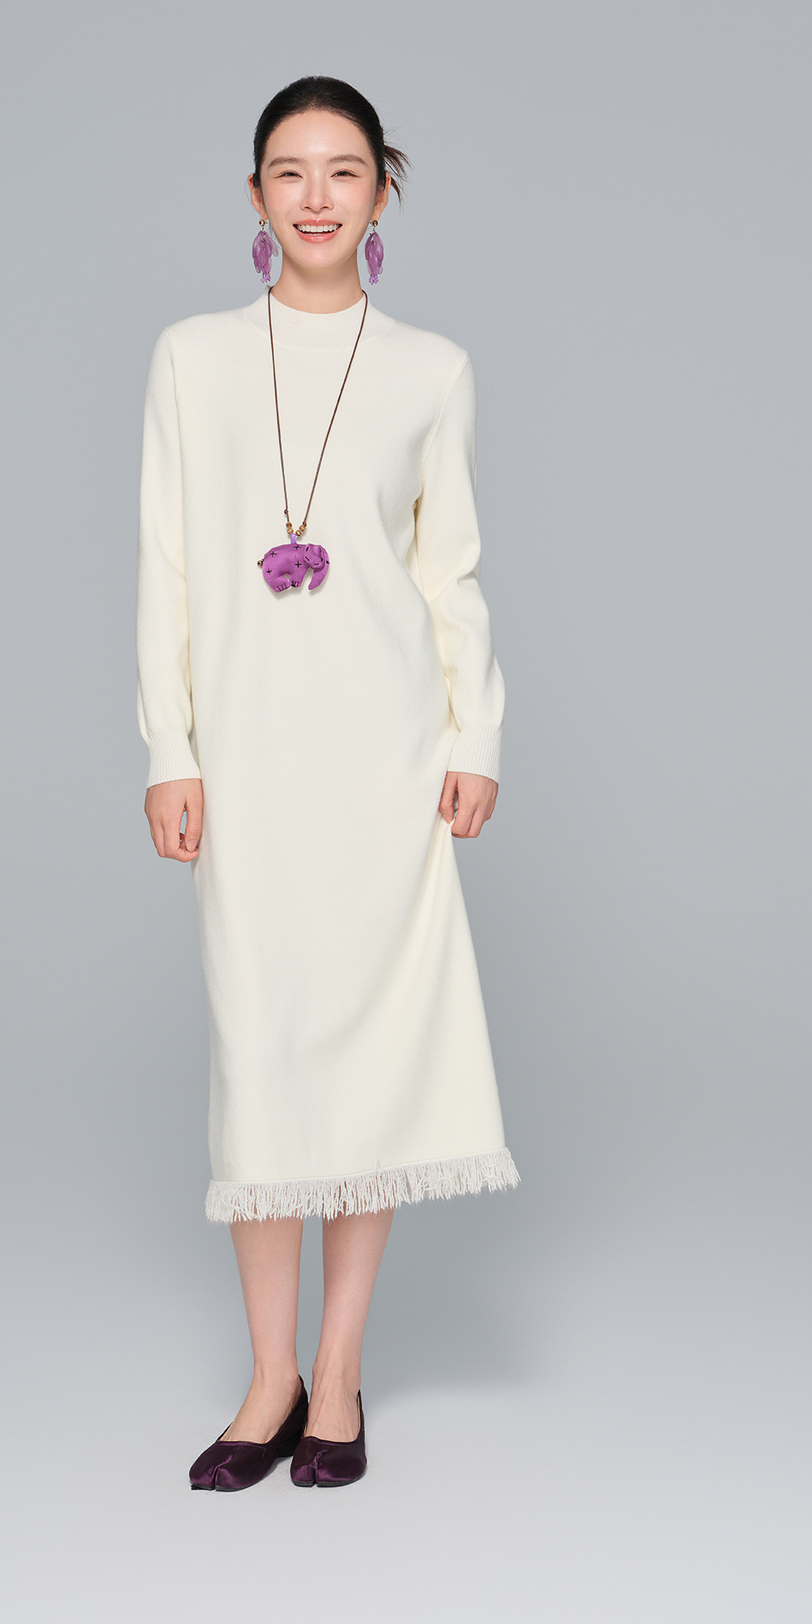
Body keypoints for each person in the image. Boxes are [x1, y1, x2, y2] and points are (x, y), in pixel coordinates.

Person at [135, 76, 520, 1491]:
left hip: (384, 756)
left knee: (366, 1059)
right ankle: (269, 1377)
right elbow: (167, 565)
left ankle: (338, 1373)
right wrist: (171, 750)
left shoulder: (432, 369)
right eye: (289, 172)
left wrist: (473, 737)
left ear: (380, 192)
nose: (315, 196)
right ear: (254, 196)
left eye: (343, 170)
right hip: (247, 758)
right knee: (262, 1057)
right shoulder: (191, 358)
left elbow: (449, 572)